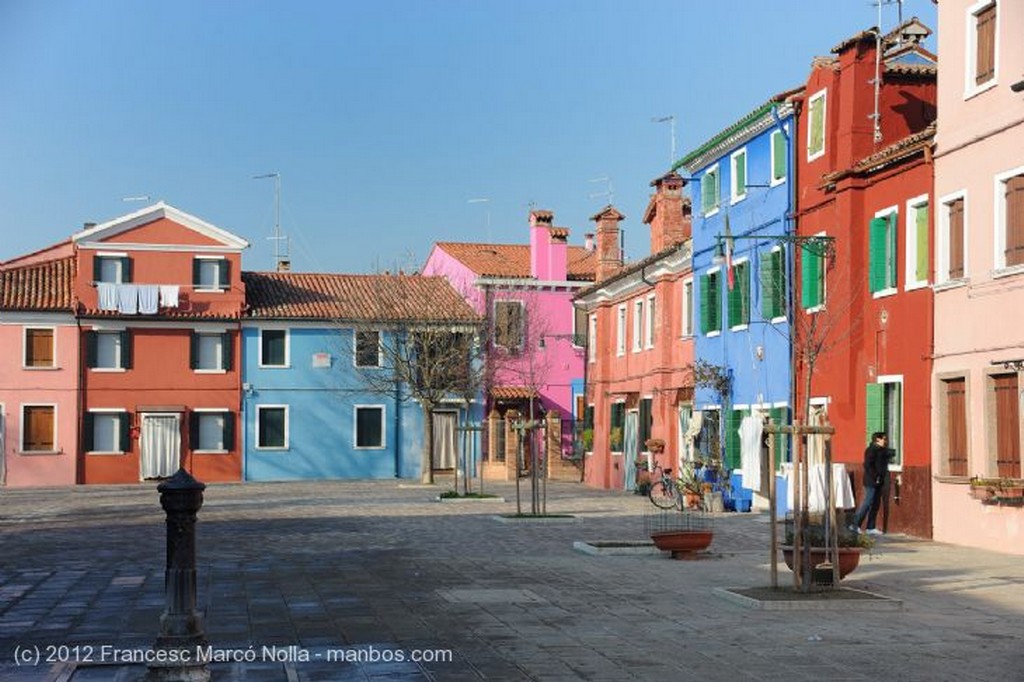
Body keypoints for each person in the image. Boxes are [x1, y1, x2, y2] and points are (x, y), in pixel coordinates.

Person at [850, 432, 892, 536]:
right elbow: (868, 465)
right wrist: (875, 477)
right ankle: (855, 525)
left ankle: (870, 527)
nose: (885, 441)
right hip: (871, 481)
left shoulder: (881, 451)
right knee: (867, 502)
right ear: (877, 439)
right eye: (884, 439)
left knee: (876, 504)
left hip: (879, 480)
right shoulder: (871, 450)